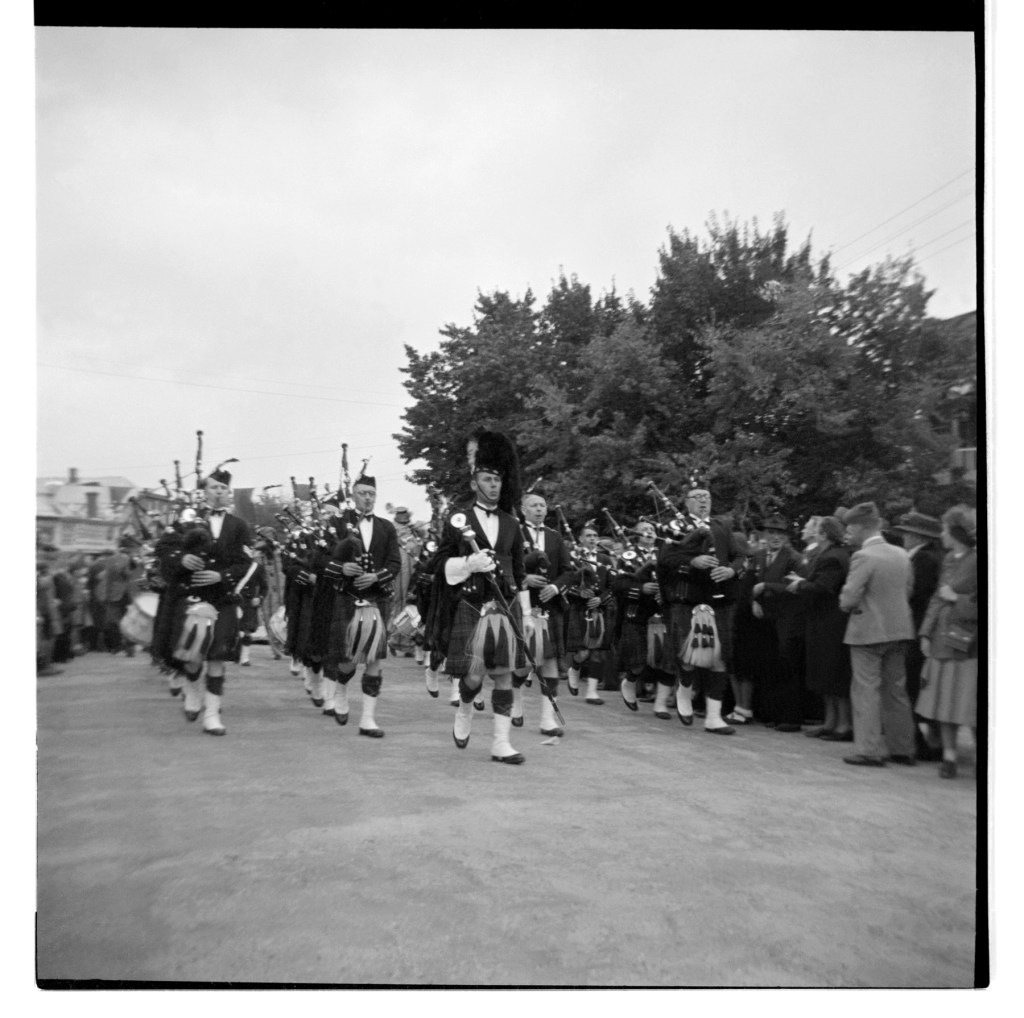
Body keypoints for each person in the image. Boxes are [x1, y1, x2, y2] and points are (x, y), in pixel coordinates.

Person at [434, 429, 528, 764]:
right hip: (471, 604)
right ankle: (464, 707)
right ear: (475, 483)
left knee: (503, 673)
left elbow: (519, 572)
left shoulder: (512, 523)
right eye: (487, 480)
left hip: (503, 607)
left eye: (497, 481)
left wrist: (526, 615)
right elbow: (439, 562)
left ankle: (501, 744)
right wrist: (467, 563)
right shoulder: (459, 519)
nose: (493, 486)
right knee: (473, 675)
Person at [159, 469, 254, 736]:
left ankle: (212, 715)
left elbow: (246, 564)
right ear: (205, 491)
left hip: (222, 599)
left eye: (223, 488)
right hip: (191, 600)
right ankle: (191, 689)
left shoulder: (238, 526)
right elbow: (164, 549)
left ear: (228, 493)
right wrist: (181, 560)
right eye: (214, 487)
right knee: (192, 658)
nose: (219, 492)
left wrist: (221, 575)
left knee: (217, 657)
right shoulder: (186, 520)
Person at [657, 485, 745, 735]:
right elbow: (665, 561)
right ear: (686, 502)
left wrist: (731, 570)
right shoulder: (673, 527)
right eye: (697, 498)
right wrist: (691, 562)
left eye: (706, 497)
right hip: (689, 600)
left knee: (719, 658)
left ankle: (714, 718)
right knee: (688, 657)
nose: (703, 502)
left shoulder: (722, 526)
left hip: (720, 600)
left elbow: (740, 557)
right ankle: (684, 690)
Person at [837, 502, 916, 767]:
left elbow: (849, 597)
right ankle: (902, 748)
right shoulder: (901, 554)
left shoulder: (863, 557)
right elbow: (908, 590)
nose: (848, 531)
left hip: (868, 632)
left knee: (866, 690)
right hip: (899, 629)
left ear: (859, 527)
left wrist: (848, 605)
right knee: (896, 689)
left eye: (850, 527)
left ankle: (869, 750)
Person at [322, 474, 401, 737]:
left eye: (371, 493)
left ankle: (368, 719)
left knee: (375, 658)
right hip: (347, 596)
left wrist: (376, 576)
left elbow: (395, 564)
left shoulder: (386, 527)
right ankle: (341, 692)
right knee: (347, 660)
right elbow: (319, 561)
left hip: (377, 598)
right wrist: (341, 567)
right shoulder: (336, 523)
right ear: (353, 495)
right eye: (362, 493)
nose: (368, 497)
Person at [915, 506, 979, 779]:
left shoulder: (978, 559)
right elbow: (936, 598)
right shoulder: (949, 558)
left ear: (955, 532)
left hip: (968, 643)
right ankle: (949, 756)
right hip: (943, 639)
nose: (940, 535)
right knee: (943, 700)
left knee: (969, 701)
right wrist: (925, 633)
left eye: (944, 529)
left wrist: (957, 599)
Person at [785, 516, 853, 741]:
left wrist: (799, 584)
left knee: (833, 675)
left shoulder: (832, 557)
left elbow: (823, 587)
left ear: (824, 534)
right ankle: (830, 722)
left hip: (830, 623)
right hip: (825, 622)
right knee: (825, 674)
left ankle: (842, 724)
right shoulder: (832, 554)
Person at [515, 489, 574, 736]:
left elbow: (568, 570)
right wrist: (524, 578)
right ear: (523, 509)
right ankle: (515, 698)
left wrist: (555, 586)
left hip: (550, 607)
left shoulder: (555, 537)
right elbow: (506, 565)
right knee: (523, 662)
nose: (540, 509)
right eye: (534, 505)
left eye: (542, 505)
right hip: (523, 604)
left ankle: (547, 719)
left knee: (549, 661)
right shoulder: (514, 533)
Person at [890, 511, 944, 760]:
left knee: (913, 682)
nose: (904, 537)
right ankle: (923, 738)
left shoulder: (923, 560)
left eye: (907, 533)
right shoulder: (925, 557)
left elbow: (915, 593)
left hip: (916, 626)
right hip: (917, 625)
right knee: (913, 682)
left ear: (916, 535)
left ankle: (922, 740)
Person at [751, 514, 807, 732]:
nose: (774, 537)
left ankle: (790, 717)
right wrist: (754, 600)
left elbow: (796, 588)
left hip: (787, 618)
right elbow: (751, 583)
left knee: (787, 666)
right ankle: (771, 712)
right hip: (766, 618)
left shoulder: (794, 558)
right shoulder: (760, 555)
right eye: (771, 532)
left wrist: (767, 587)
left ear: (786, 537)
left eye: (779, 534)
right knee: (770, 666)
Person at [564, 523, 615, 706]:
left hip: (600, 610)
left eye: (595, 535)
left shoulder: (605, 559)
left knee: (599, 652)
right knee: (583, 651)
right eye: (588, 535)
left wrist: (601, 599)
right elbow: (565, 583)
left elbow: (612, 586)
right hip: (579, 609)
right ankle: (575, 666)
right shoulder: (572, 558)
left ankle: (592, 692)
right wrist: (579, 593)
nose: (592, 538)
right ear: (580, 539)